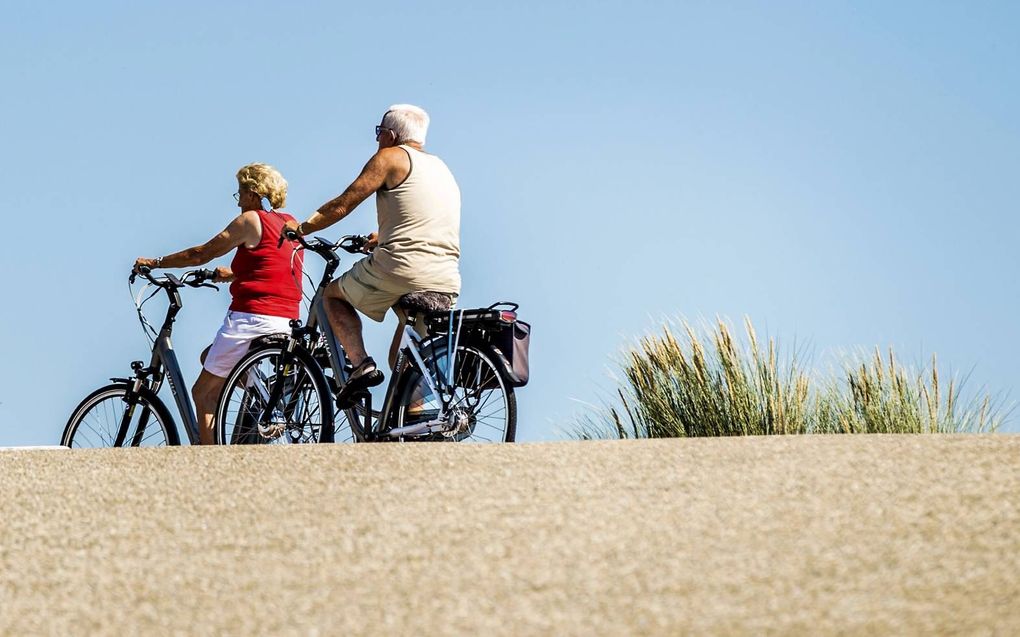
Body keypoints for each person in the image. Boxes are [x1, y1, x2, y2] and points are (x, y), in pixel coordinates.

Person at [282, 104, 461, 399]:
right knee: (403, 361)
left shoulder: (390, 157)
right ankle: (414, 421)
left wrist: (301, 228)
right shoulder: (441, 168)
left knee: (332, 296)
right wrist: (385, 235)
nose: (378, 139)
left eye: (379, 133)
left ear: (390, 134)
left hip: (401, 267)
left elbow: (345, 202)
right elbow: (425, 217)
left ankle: (360, 364)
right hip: (445, 276)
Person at [134, 163, 303, 445]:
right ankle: (261, 393)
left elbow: (201, 254)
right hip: (286, 318)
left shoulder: (250, 220)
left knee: (203, 392)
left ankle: (210, 458)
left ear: (252, 193)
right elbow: (273, 266)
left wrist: (157, 262)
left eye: (239, 194)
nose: (239, 202)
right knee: (208, 357)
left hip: (251, 317)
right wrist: (233, 273)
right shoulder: (289, 222)